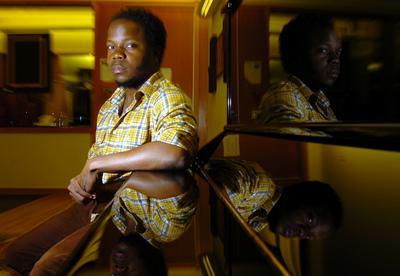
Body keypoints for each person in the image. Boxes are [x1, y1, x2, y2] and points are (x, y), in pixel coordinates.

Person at [2, 7, 198, 275]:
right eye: (111, 45)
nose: (116, 54)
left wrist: (97, 164)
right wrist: (80, 182)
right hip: (92, 204)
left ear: (154, 52)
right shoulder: (109, 105)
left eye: (129, 45)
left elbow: (175, 152)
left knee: (45, 268)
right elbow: (95, 162)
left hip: (126, 216)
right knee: (13, 255)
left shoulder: (166, 95)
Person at [256, 13, 341, 123]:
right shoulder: (284, 98)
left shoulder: (318, 97)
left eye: (338, 51)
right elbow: (297, 140)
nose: (335, 59)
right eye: (323, 50)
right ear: (298, 55)